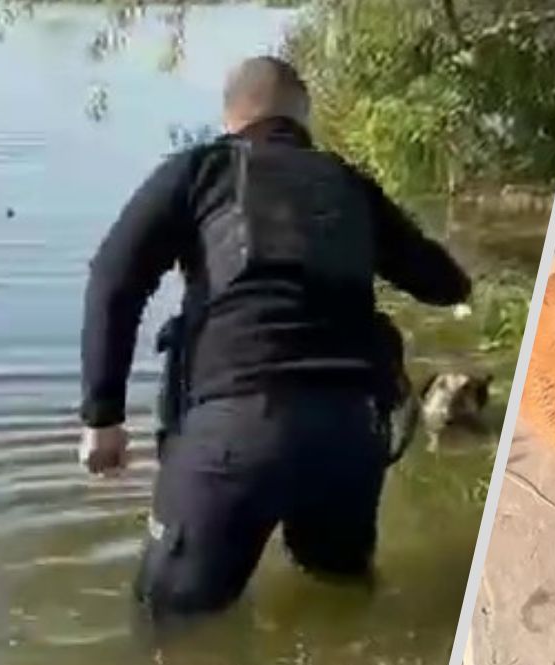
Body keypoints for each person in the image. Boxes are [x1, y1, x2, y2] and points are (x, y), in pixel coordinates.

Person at [76, 55, 472, 619]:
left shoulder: (198, 171)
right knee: (340, 597)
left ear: (231, 117)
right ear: (302, 116)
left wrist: (102, 416)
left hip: (235, 430)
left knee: (170, 628)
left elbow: (114, 278)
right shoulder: (347, 183)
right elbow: (444, 283)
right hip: (350, 433)